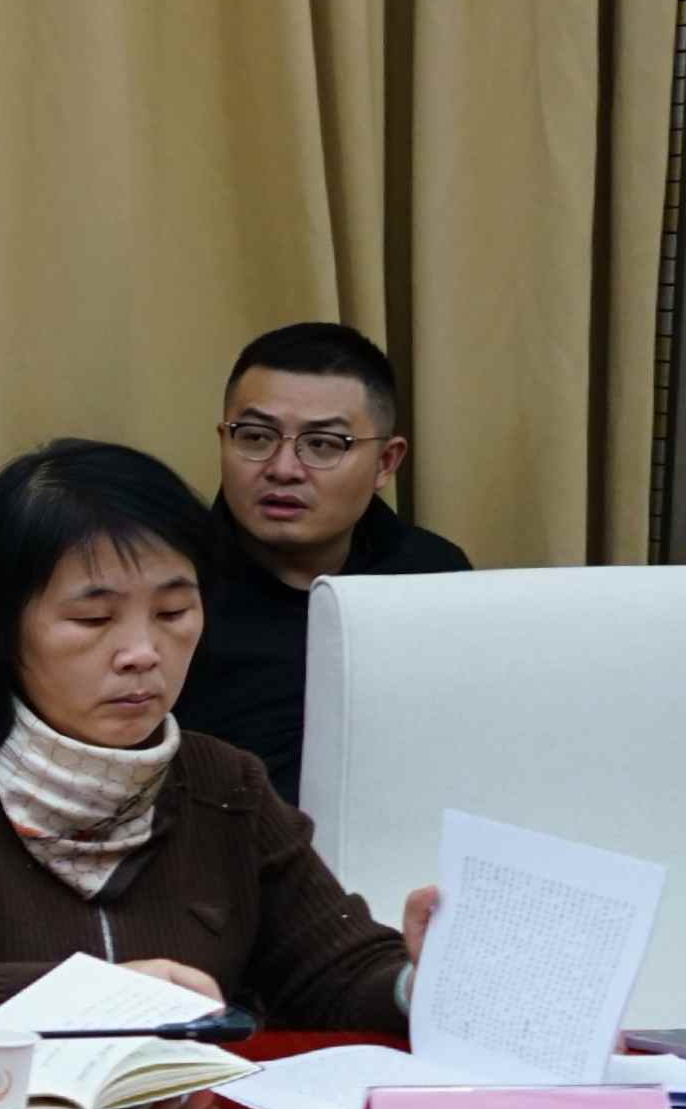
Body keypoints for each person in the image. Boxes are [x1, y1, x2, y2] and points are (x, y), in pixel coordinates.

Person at [0, 440, 436, 1038]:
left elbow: (337, 972)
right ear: (0, 627)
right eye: (93, 619)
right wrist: (82, 998)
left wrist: (422, 978)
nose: (142, 652)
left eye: (173, 611)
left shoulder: (224, 784)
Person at [170, 321, 471, 801]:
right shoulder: (170, 591)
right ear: (224, 440)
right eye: (255, 437)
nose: (283, 469)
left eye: (323, 444)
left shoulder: (433, 577)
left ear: (386, 463)